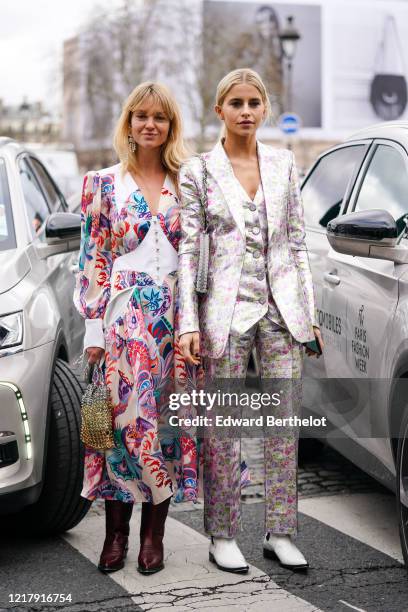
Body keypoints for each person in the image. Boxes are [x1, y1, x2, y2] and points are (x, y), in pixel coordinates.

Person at [178, 68, 323, 573]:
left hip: (281, 311)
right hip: (225, 314)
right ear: (219, 110)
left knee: (284, 425)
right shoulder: (198, 170)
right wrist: (187, 323)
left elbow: (298, 244)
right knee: (223, 428)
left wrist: (307, 313)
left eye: (253, 103)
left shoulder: (284, 164)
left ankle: (280, 531)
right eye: (235, 103)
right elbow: (189, 250)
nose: (245, 111)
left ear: (264, 110)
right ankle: (222, 534)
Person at [73, 82, 200, 575]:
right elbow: (94, 258)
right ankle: (116, 532)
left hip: (175, 320)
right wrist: (92, 330)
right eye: (141, 116)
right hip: (122, 320)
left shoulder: (187, 183)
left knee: (166, 427)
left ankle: (154, 533)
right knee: (119, 429)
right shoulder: (103, 183)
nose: (150, 124)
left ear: (171, 127)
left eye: (160, 117)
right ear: (128, 123)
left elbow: (197, 257)